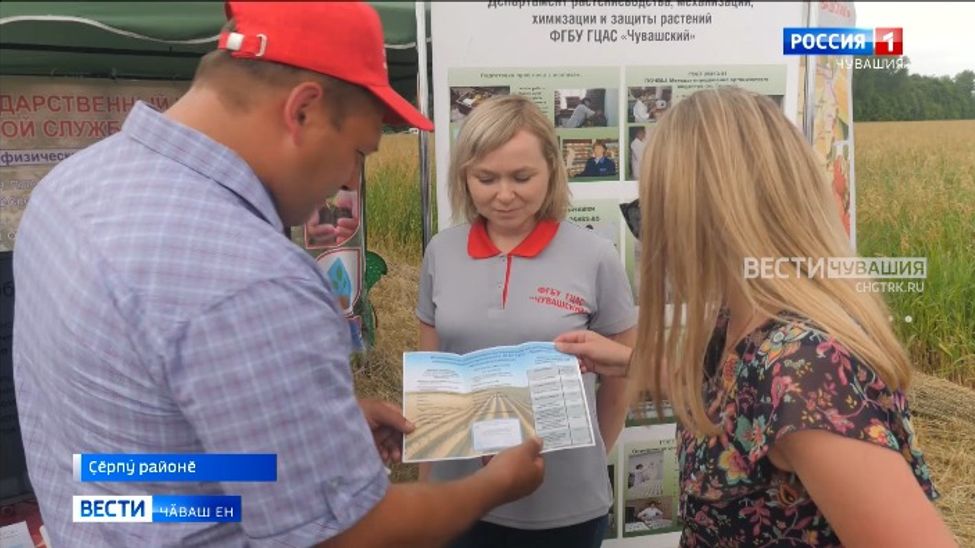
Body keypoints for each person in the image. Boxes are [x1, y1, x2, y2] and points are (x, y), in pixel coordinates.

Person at [12, 3, 544, 547]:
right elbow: (352, 538)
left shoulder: (71, 186)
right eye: (358, 151)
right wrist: (491, 486)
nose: (347, 177)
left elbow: (130, 457)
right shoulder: (257, 278)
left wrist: (302, 435)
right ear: (303, 110)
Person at [555, 87, 955, 547]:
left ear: (706, 216)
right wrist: (627, 362)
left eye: (651, 213)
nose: (651, 237)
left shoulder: (805, 368)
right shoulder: (741, 319)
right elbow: (734, 404)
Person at [416, 94, 637, 548]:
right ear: (464, 177)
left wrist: (588, 455)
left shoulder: (595, 255)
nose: (504, 194)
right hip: (457, 499)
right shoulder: (442, 250)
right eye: (486, 178)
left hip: (565, 506)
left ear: (552, 171)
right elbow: (430, 375)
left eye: (522, 177)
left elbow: (620, 381)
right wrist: (426, 486)